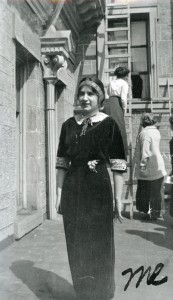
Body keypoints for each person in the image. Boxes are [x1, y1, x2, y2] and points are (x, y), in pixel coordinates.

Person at [55, 76, 127, 300]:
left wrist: (118, 200)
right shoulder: (68, 126)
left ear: (100, 98)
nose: (85, 98)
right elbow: (61, 164)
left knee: (99, 244)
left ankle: (102, 294)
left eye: (91, 94)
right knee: (76, 245)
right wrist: (59, 194)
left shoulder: (109, 125)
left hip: (98, 193)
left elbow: (118, 166)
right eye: (82, 93)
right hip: (73, 192)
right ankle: (83, 293)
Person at [135, 113, 167, 220]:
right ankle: (156, 214)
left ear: (143, 122)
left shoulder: (145, 134)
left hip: (149, 168)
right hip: (157, 166)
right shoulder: (155, 131)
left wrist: (142, 169)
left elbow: (145, 153)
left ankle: (152, 215)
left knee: (148, 193)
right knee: (156, 193)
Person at [103, 66, 129, 156]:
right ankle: (120, 152)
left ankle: (107, 152)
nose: (127, 77)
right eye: (127, 75)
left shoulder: (111, 82)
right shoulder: (124, 84)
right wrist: (124, 109)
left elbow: (108, 94)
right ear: (124, 75)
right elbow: (123, 99)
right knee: (119, 127)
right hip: (117, 104)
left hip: (109, 103)